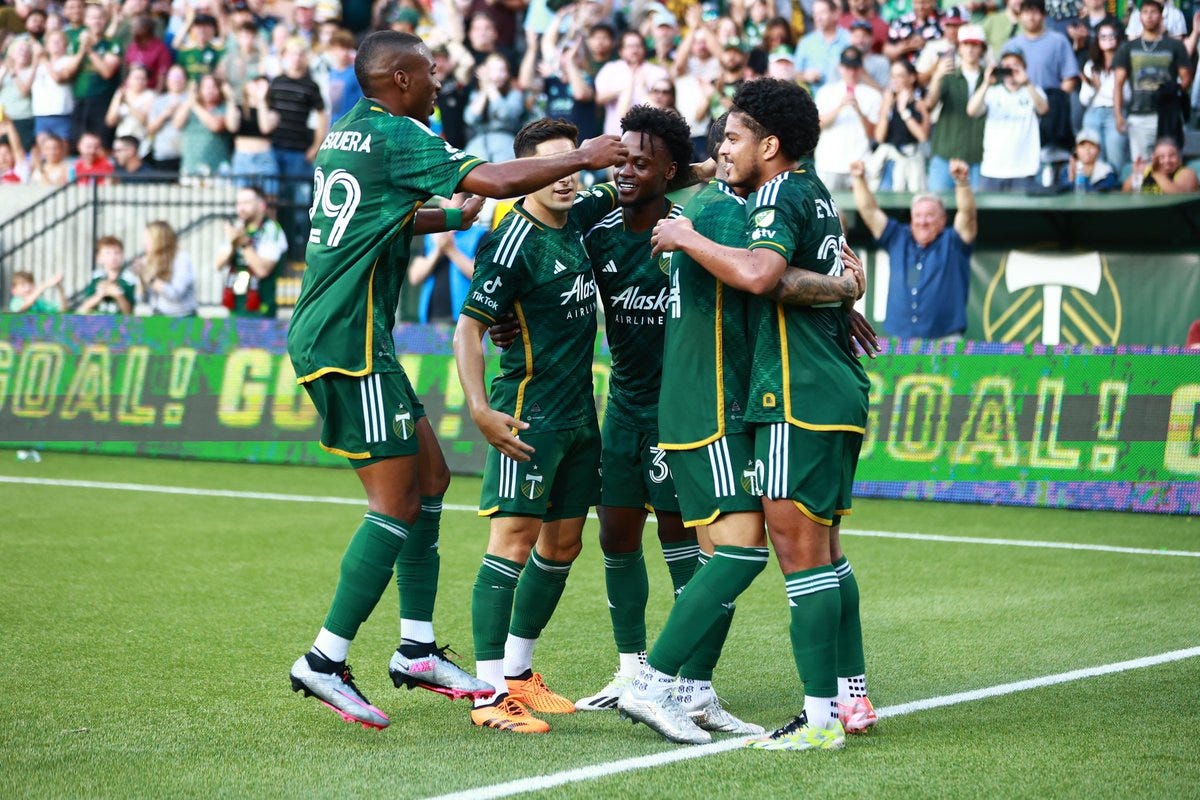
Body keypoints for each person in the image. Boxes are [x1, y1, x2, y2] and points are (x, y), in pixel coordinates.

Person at [285, 31, 626, 732]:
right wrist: (586, 154)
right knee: (395, 500)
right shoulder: (399, 132)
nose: (441, 81)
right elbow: (498, 182)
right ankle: (325, 657)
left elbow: (372, 220)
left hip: (349, 334)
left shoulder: (349, 133)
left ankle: (415, 648)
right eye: (432, 72)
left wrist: (445, 216)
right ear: (402, 79)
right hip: (347, 342)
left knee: (432, 479)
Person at [631, 77, 874, 751]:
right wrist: (846, 290)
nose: (721, 147)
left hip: (793, 396)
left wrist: (682, 236)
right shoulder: (813, 190)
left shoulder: (765, 198)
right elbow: (794, 268)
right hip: (825, 392)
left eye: (733, 136)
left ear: (770, 144)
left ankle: (811, 717)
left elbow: (764, 275)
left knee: (782, 554)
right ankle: (848, 700)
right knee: (820, 552)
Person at [562, 107, 754, 736]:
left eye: (641, 163)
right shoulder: (595, 221)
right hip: (623, 405)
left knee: (686, 547)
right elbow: (545, 245)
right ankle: (631, 669)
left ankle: (689, 685)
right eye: (621, 159)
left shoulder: (690, 224)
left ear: (668, 172)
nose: (625, 172)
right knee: (615, 536)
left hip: (681, 413)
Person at [451, 118, 621, 734]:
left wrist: (707, 169)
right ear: (530, 172)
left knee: (563, 545)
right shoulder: (509, 241)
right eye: (554, 168)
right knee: (514, 542)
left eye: (574, 166)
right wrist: (479, 408)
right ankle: (487, 694)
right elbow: (469, 328)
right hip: (529, 413)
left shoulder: (579, 211)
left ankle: (520, 673)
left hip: (580, 412)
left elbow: (645, 179)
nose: (568, 179)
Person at [851, 157, 977, 340]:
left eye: (929, 216)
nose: (922, 221)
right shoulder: (898, 236)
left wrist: (962, 183)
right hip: (900, 338)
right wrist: (859, 179)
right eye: (917, 215)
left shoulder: (953, 241)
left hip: (946, 339)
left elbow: (967, 214)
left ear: (942, 220)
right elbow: (869, 211)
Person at [1113, 0, 1192, 164]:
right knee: (1141, 166)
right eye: (1145, 12)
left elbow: (1186, 78)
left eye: (1153, 12)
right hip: (1138, 115)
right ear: (1139, 16)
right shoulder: (1128, 47)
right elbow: (1118, 84)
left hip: (1168, 114)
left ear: (1161, 16)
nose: (1149, 16)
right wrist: (1118, 114)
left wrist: (1171, 93)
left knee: (1170, 163)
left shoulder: (1175, 46)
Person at [967, 49, 1048, 191]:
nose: (1011, 69)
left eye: (1015, 65)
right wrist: (986, 83)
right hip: (993, 170)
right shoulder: (992, 92)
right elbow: (971, 110)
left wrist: (1027, 83)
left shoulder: (1033, 91)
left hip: (1024, 170)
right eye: (1006, 66)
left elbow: (1043, 109)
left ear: (1024, 68)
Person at [926, 23, 988, 190]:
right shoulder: (948, 75)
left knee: (974, 211)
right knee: (937, 204)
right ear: (959, 48)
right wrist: (937, 76)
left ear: (982, 48)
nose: (970, 49)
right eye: (966, 44)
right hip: (946, 153)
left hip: (978, 155)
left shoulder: (989, 78)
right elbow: (929, 105)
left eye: (975, 45)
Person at [814, 46, 882, 190]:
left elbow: (874, 134)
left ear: (861, 68)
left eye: (855, 67)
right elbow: (817, 124)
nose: (851, 72)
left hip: (860, 163)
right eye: (847, 67)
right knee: (830, 210)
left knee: (861, 209)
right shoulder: (826, 92)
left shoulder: (873, 95)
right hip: (830, 163)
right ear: (840, 67)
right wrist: (839, 107)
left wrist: (859, 111)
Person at [215, 186, 287, 316]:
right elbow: (218, 264)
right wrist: (233, 243)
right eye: (238, 203)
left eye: (246, 203)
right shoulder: (238, 228)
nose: (241, 208)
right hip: (236, 308)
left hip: (261, 312)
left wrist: (244, 245)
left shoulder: (271, 230)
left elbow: (262, 270)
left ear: (261, 205)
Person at [867, 59, 930, 191]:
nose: (895, 80)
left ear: (911, 78)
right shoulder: (888, 102)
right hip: (890, 160)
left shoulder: (919, 104)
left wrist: (904, 111)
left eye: (900, 76)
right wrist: (886, 107)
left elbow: (922, 136)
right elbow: (879, 137)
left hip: (911, 159)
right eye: (893, 76)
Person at [595, 30, 670, 137]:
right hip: (615, 134)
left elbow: (665, 104)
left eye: (638, 46)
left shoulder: (657, 71)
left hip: (649, 135)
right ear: (621, 51)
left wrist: (643, 88)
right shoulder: (610, 69)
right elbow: (599, 99)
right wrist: (622, 89)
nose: (634, 50)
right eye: (630, 46)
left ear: (644, 49)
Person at [1079, 21, 1128, 173]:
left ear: (1118, 38)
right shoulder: (1091, 65)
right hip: (1093, 113)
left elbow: (1127, 96)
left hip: (1115, 113)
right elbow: (1084, 99)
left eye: (1112, 35)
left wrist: (1100, 87)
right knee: (1093, 161)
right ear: (1097, 40)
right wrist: (1090, 85)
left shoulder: (1125, 64)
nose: (1108, 39)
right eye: (1103, 36)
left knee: (1115, 160)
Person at [135, 220, 197, 316]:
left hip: (182, 318)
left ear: (159, 239)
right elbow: (141, 299)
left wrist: (150, 279)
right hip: (158, 316)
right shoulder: (148, 260)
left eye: (148, 238)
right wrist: (140, 277)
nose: (144, 242)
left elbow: (175, 294)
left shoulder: (181, 258)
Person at [793, 0, 852, 92]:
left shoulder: (849, 39)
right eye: (815, 14)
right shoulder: (806, 42)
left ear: (835, 14)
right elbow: (795, 73)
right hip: (813, 98)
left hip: (842, 96)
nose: (818, 18)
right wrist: (805, 76)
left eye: (822, 13)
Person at [76, 235, 136, 314]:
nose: (113, 257)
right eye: (108, 253)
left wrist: (118, 296)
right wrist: (99, 295)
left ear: (122, 255)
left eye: (117, 253)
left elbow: (130, 313)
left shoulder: (129, 280)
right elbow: (82, 309)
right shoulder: (96, 278)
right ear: (99, 258)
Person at [1123, 136, 1199, 193]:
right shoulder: (1147, 170)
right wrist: (1137, 175)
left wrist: (1157, 173)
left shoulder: (1187, 173)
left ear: (1179, 158)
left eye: (1172, 156)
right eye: (1161, 157)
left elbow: (1179, 197)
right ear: (1153, 158)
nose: (1167, 160)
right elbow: (1125, 193)